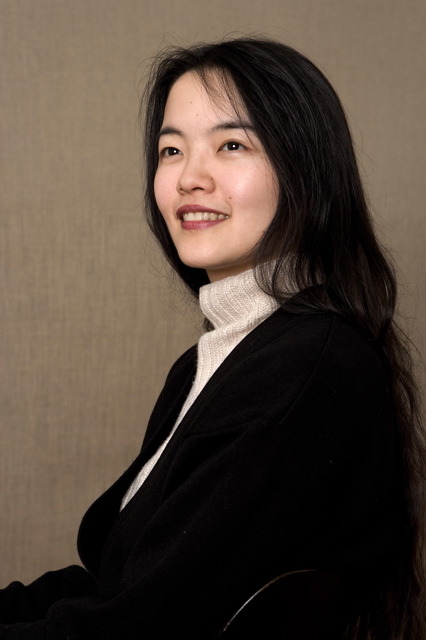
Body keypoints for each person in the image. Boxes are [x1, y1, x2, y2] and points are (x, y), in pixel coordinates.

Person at [0, 36, 425, 639]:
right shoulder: (220, 357)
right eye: (171, 150)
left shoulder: (309, 369)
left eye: (231, 145)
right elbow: (120, 581)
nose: (189, 178)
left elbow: (141, 628)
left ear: (305, 169)